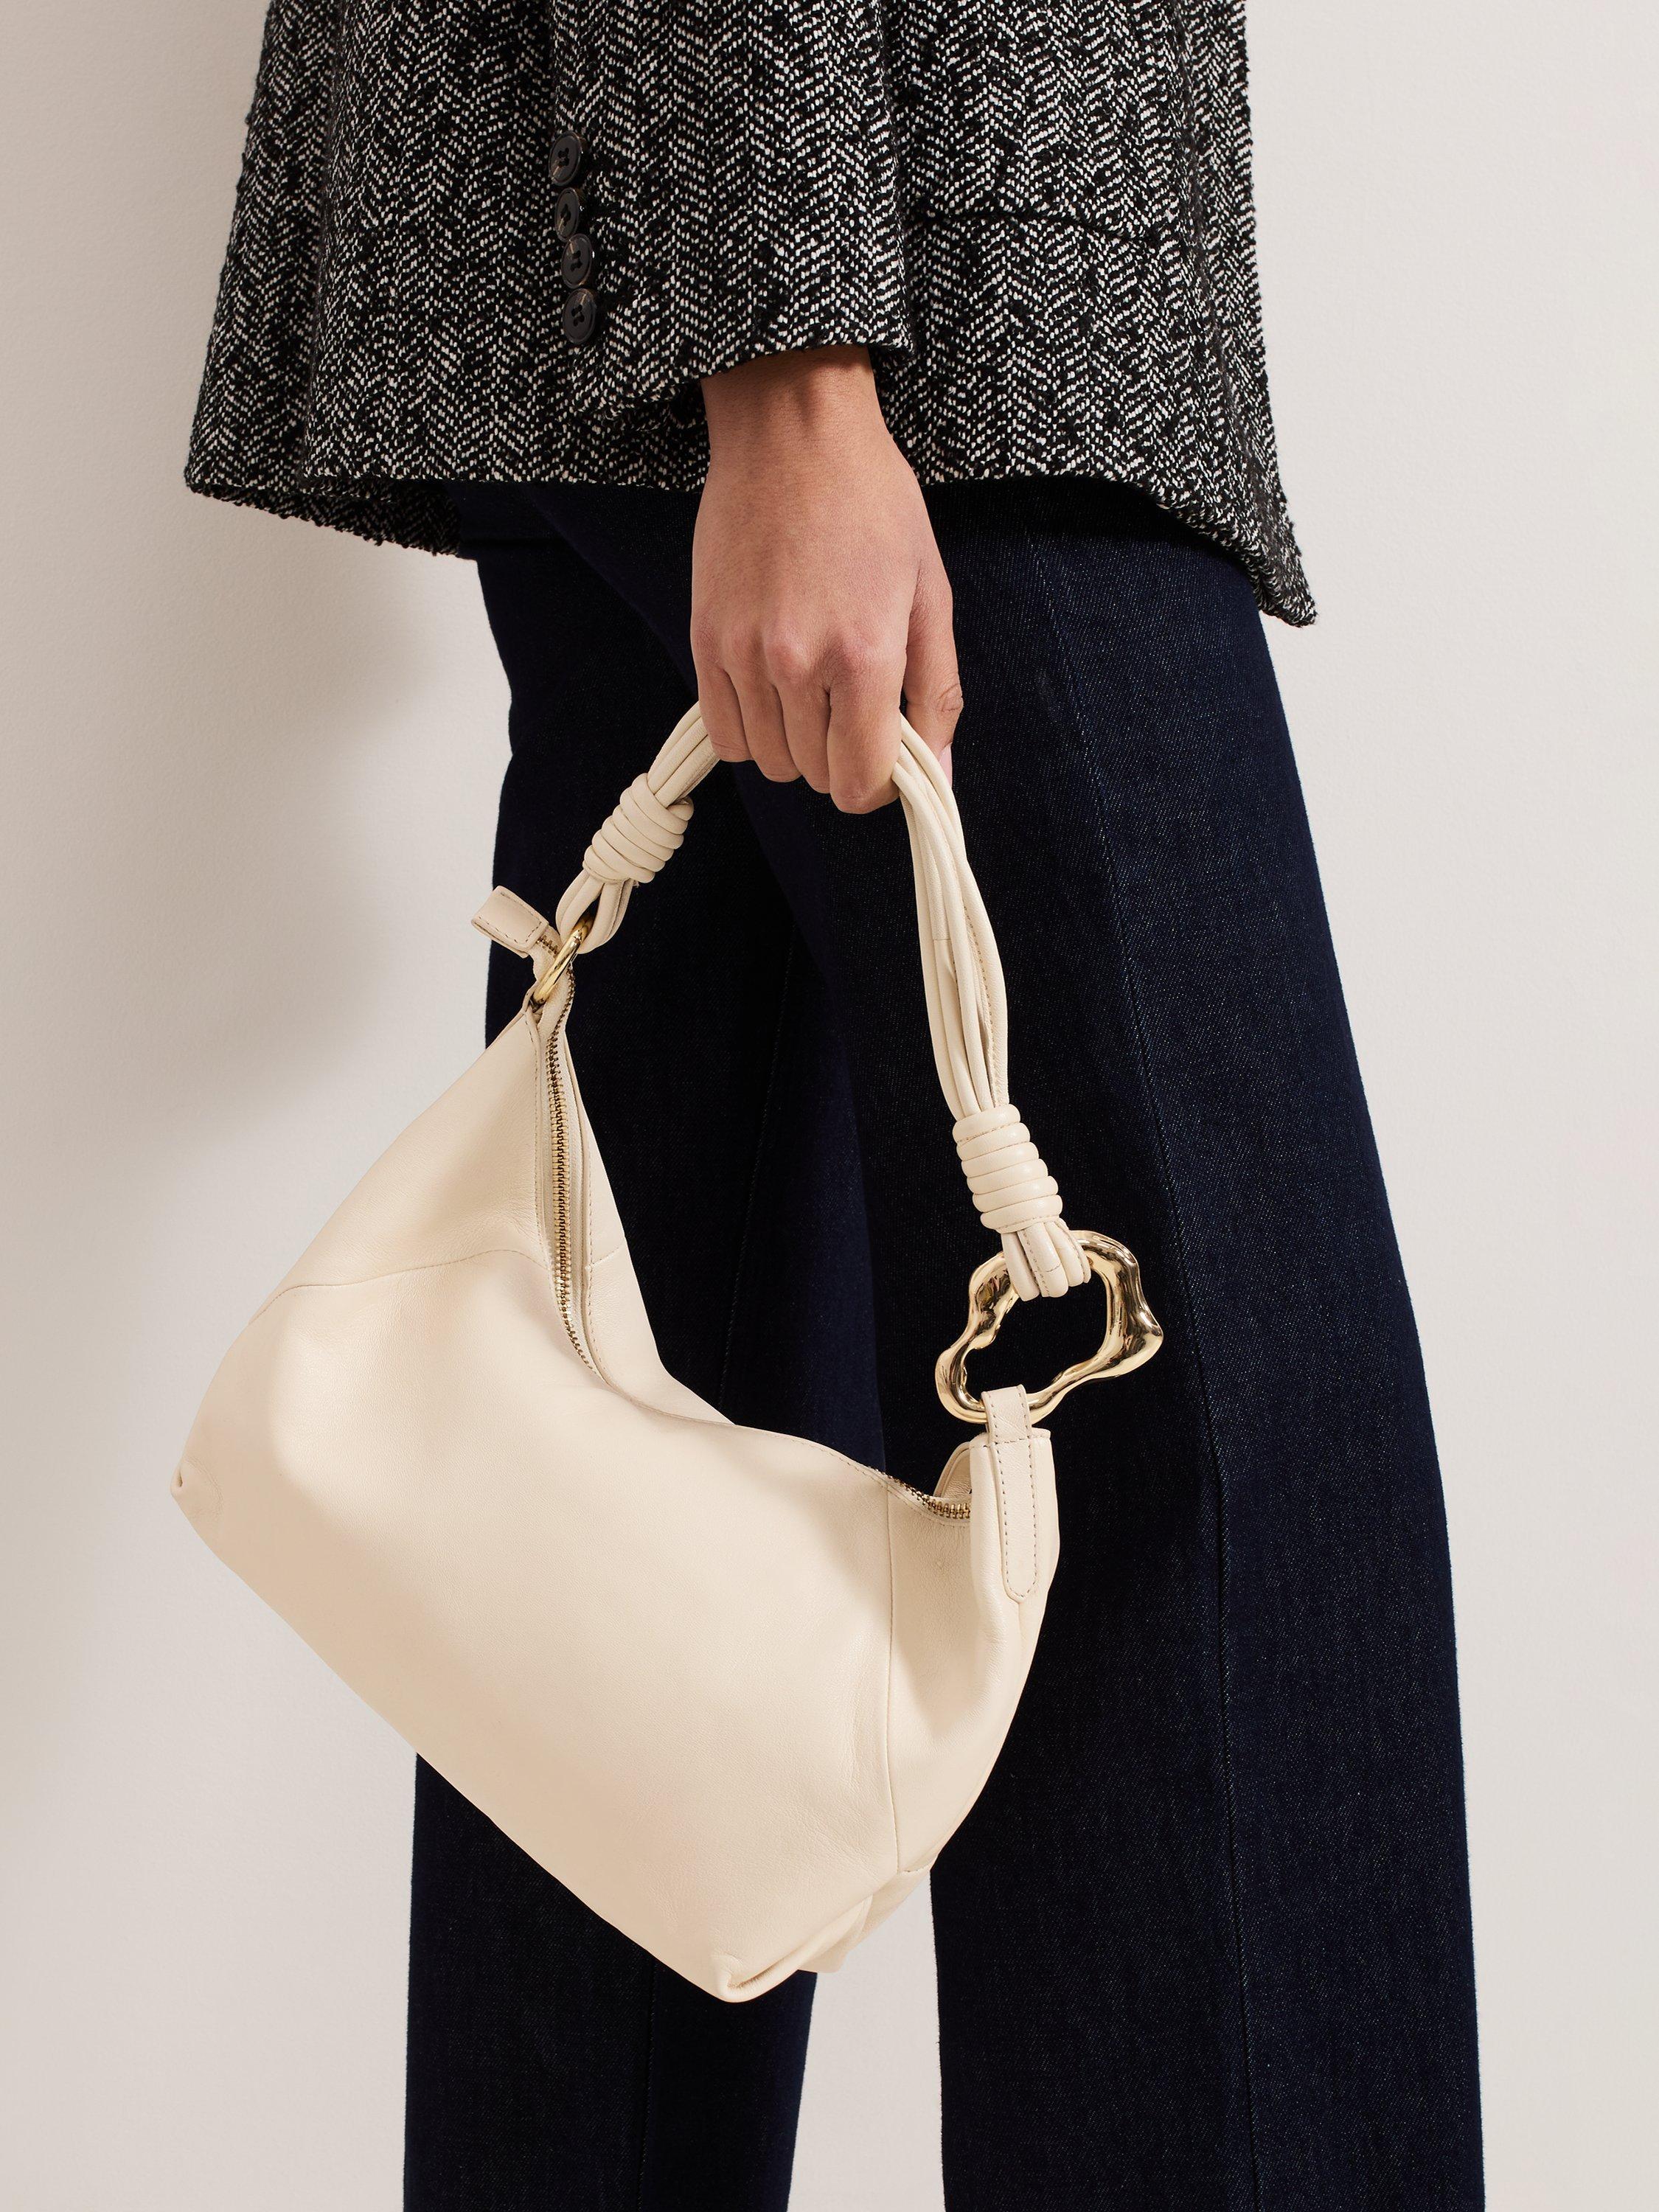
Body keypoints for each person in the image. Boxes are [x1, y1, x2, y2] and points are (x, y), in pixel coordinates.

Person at [185, 4, 1483, 2206]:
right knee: (1204, 1484)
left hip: (680, 241)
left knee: (628, 1508)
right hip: (911, 296)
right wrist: (787, 362)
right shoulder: (824, 361)